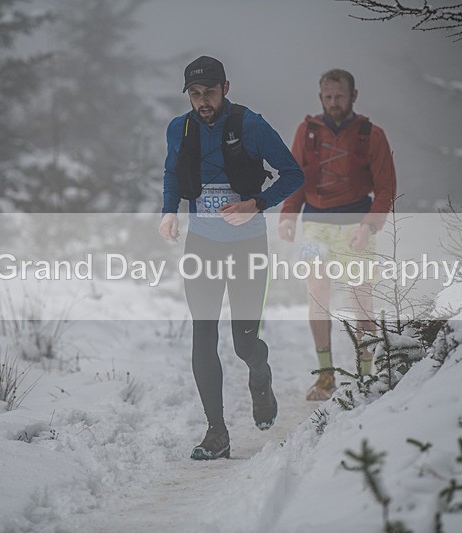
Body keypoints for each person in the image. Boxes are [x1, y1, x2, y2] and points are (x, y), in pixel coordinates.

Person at [158, 56, 304, 460]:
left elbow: (294, 174)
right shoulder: (179, 128)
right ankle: (216, 433)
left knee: (244, 344)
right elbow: (172, 172)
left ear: (226, 87)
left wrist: (255, 204)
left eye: (209, 92)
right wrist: (169, 211)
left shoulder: (250, 125)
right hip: (201, 244)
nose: (203, 101)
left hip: (247, 246)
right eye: (195, 94)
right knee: (203, 333)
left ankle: (260, 373)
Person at [278, 68, 396, 401]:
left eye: (339, 97)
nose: (333, 103)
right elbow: (294, 177)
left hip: (358, 222)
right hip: (315, 224)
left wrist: (368, 225)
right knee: (317, 294)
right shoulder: (307, 131)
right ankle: (326, 376)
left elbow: (386, 189)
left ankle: (365, 375)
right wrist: (288, 216)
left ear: (354, 96)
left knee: (362, 300)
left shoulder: (372, 135)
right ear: (320, 98)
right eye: (328, 97)